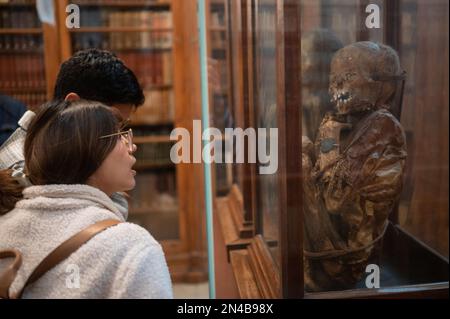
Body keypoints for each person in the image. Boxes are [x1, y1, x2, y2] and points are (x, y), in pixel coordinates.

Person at [0, 99, 173, 298]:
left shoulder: (4, 226)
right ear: (90, 152)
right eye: (119, 136)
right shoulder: (132, 249)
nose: (131, 147)